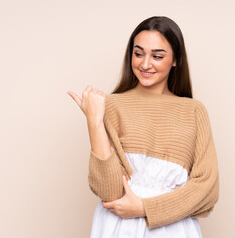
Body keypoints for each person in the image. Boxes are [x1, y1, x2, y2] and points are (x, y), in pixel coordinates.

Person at [67, 16, 219, 238]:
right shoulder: (111, 106)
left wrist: (144, 209)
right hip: (118, 228)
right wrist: (94, 121)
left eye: (157, 56)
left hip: (174, 229)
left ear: (175, 60)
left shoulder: (194, 112)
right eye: (138, 54)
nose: (145, 64)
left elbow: (207, 191)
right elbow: (109, 192)